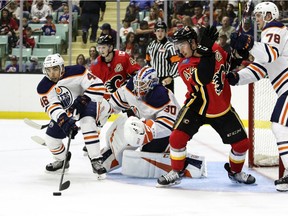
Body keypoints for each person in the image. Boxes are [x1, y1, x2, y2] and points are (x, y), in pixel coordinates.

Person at [157, 25, 256, 187]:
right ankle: (176, 171)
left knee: (242, 144)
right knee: (176, 138)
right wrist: (206, 52)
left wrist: (239, 53)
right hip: (197, 107)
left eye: (182, 44)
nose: (178, 49)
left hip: (221, 107)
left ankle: (235, 172)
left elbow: (228, 63)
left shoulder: (215, 48)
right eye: (177, 45)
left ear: (193, 42)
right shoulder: (184, 64)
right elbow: (204, 77)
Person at [100, 66, 206, 178]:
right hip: (144, 125)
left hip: (164, 133)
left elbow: (170, 125)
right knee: (127, 122)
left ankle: (184, 161)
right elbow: (113, 103)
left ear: (153, 84)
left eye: (142, 85)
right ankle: (112, 155)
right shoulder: (129, 87)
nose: (138, 88)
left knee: (148, 154)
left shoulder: (163, 96)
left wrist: (149, 130)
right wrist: (102, 112)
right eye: (137, 83)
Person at [226, 2, 288, 192]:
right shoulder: (268, 36)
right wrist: (236, 77)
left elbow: (270, 54)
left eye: (260, 15)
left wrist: (248, 43)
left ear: (270, 15)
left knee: (278, 125)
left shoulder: (275, 28)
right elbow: (260, 69)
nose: (257, 19)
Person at [37, 53, 110, 179]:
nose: (52, 73)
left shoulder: (78, 71)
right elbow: (51, 107)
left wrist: (84, 99)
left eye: (55, 69)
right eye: (49, 70)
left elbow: (98, 86)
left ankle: (96, 160)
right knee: (51, 139)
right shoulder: (43, 87)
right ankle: (62, 160)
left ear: (62, 68)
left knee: (87, 123)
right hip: (67, 111)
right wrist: (63, 120)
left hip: (87, 103)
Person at [146, 21, 180, 92]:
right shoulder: (151, 45)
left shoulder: (170, 46)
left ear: (165, 32)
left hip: (166, 79)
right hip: (154, 79)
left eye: (162, 31)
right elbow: (148, 60)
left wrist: (170, 77)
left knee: (167, 101)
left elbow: (176, 62)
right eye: (158, 31)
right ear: (154, 32)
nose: (160, 33)